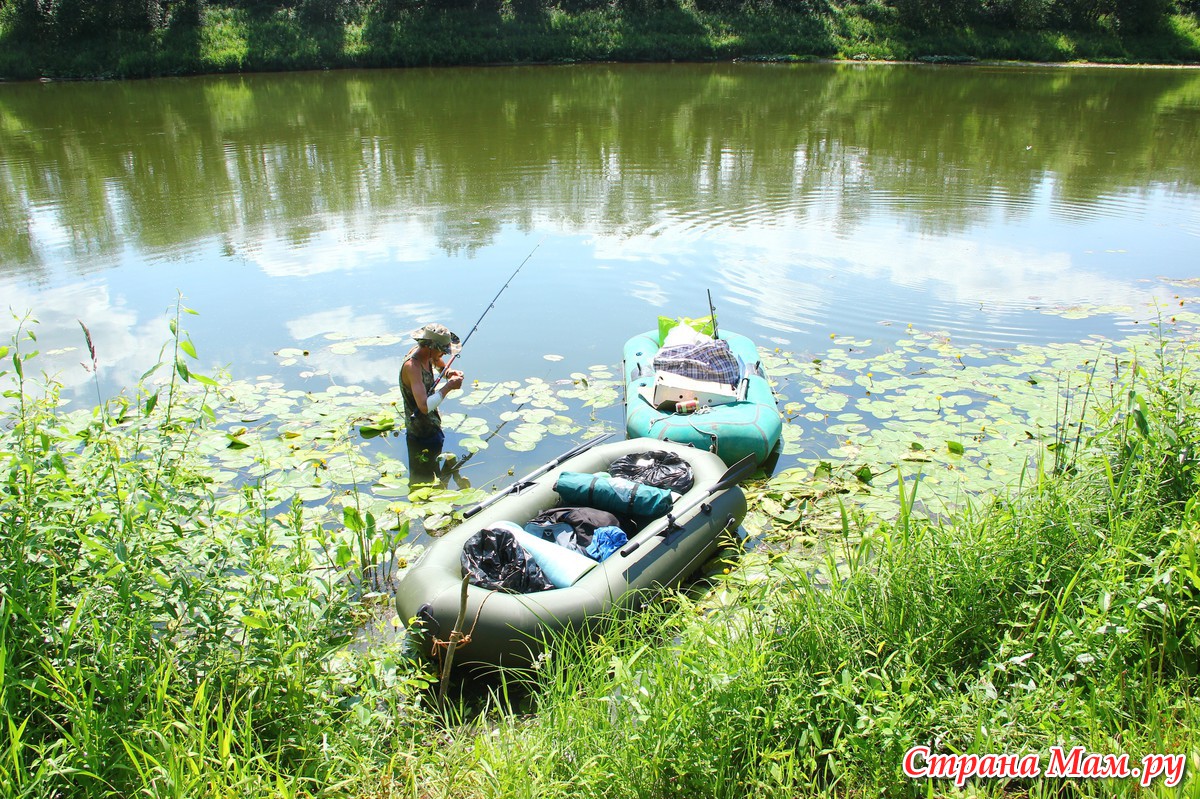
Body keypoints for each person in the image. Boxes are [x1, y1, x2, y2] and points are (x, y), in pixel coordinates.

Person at [400, 323, 465, 486]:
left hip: (433, 426)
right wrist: (449, 386)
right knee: (422, 483)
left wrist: (449, 373)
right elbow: (423, 406)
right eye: (442, 349)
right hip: (421, 434)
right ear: (430, 347)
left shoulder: (427, 354)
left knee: (437, 483)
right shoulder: (412, 367)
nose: (444, 353)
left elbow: (437, 362)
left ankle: (448, 477)